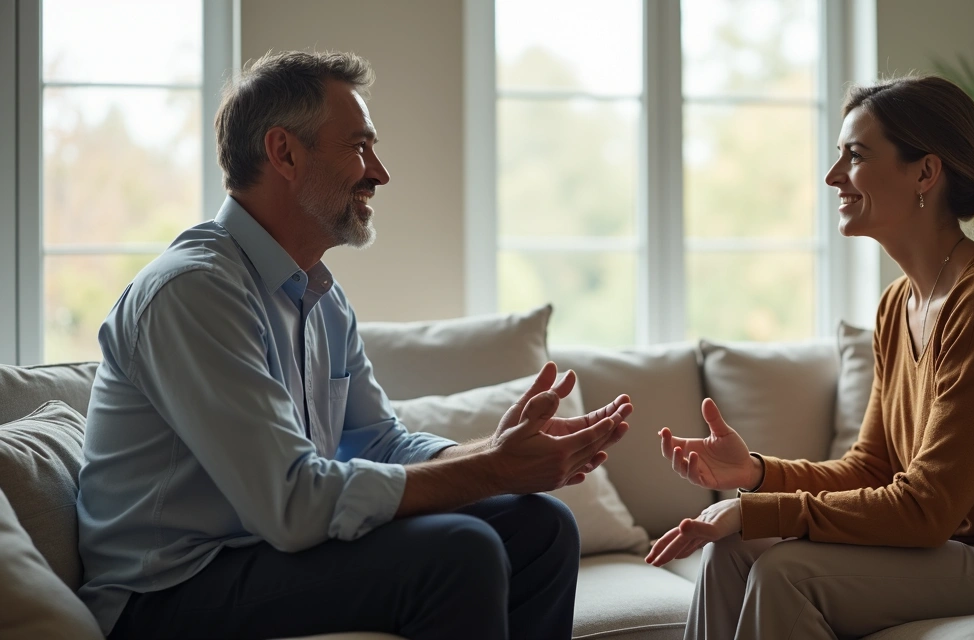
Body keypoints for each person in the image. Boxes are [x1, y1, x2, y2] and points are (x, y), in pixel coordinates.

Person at [76, 50, 632, 640]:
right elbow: (292, 504)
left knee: (542, 527)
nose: (380, 172)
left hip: (259, 555)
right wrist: (494, 470)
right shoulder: (194, 292)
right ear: (284, 152)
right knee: (459, 550)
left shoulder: (319, 296)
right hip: (166, 592)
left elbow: (380, 441)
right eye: (360, 147)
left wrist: (494, 451)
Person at [646, 75, 974, 640]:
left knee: (785, 573)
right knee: (730, 553)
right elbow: (870, 468)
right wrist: (756, 474)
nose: (833, 176)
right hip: (960, 548)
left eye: (856, 156)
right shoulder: (898, 304)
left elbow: (928, 508)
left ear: (925, 172)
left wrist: (754, 509)